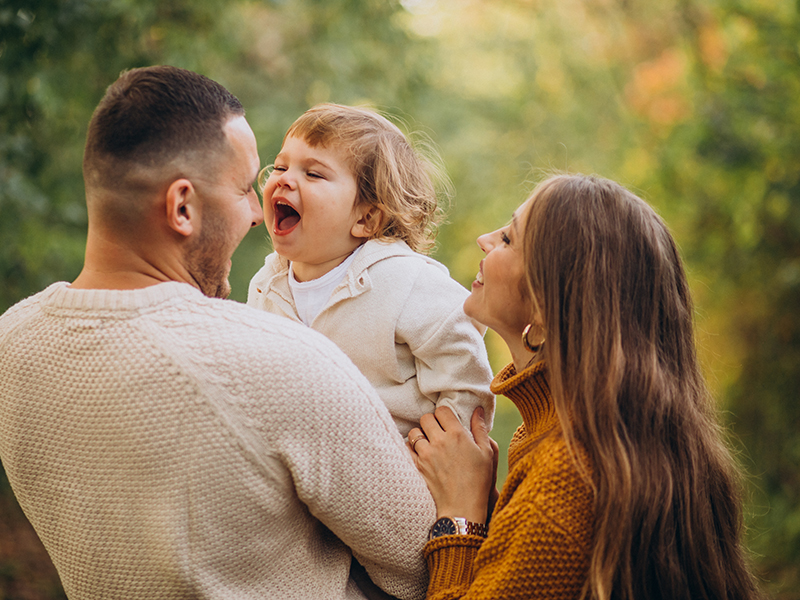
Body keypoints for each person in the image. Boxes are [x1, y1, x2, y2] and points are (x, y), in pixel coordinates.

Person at [0, 66, 437, 600]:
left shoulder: (11, 343)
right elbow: (424, 568)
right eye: (243, 188)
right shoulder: (283, 365)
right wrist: (462, 504)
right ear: (182, 207)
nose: (258, 212)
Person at [407, 174, 765, 599]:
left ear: (543, 311)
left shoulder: (566, 477)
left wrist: (460, 517)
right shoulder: (600, 438)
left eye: (507, 239)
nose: (485, 240)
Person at [247, 103, 494, 438]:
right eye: (279, 166)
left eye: (313, 173)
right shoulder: (266, 286)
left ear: (366, 219)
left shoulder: (406, 281)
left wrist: (443, 454)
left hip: (393, 470)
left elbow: (464, 371)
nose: (284, 179)